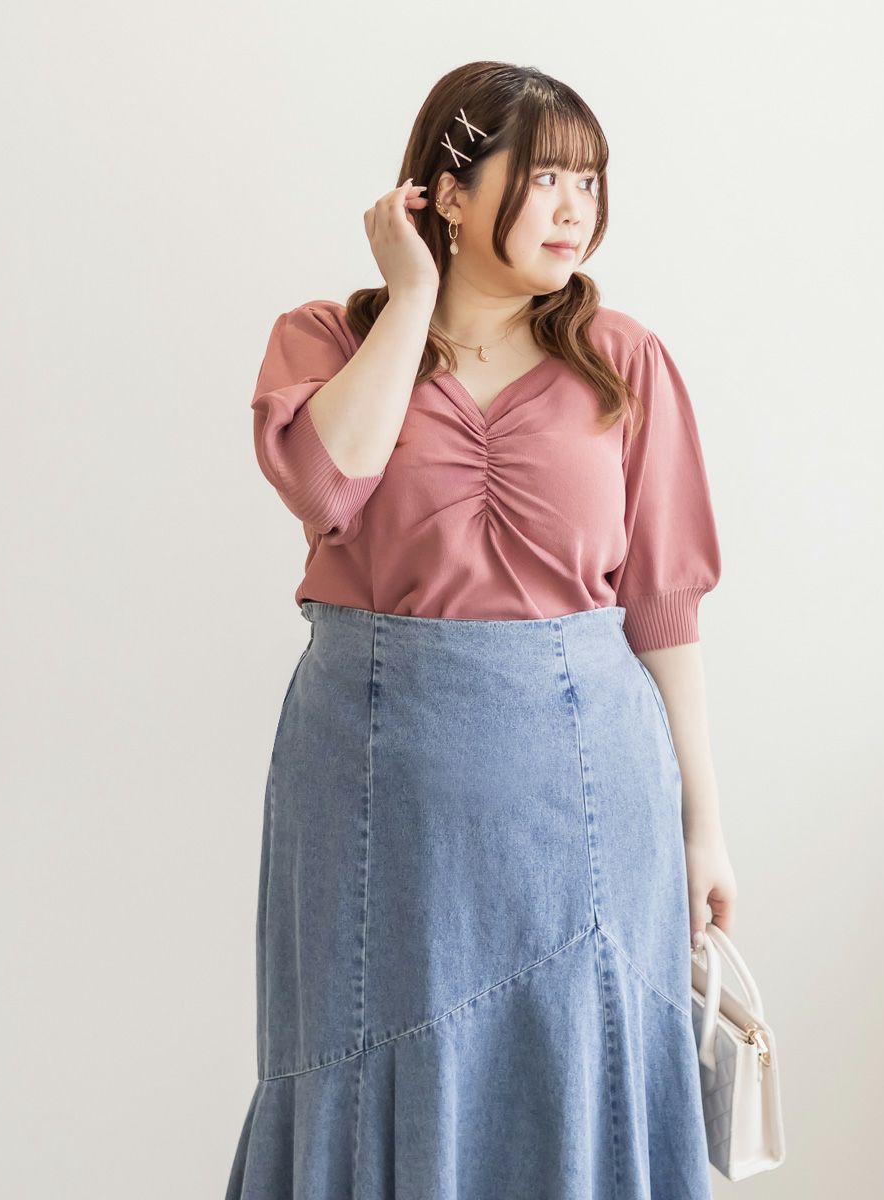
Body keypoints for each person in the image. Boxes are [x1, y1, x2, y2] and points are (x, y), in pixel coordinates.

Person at [226, 59, 738, 1200]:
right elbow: (326, 486)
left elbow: (663, 605)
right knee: (362, 1043)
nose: (575, 209)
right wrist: (410, 297)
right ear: (449, 193)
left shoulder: (624, 359)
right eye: (545, 177)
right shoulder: (326, 338)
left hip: (588, 785)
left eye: (589, 182)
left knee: (586, 1051)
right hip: (377, 783)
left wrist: (704, 824)